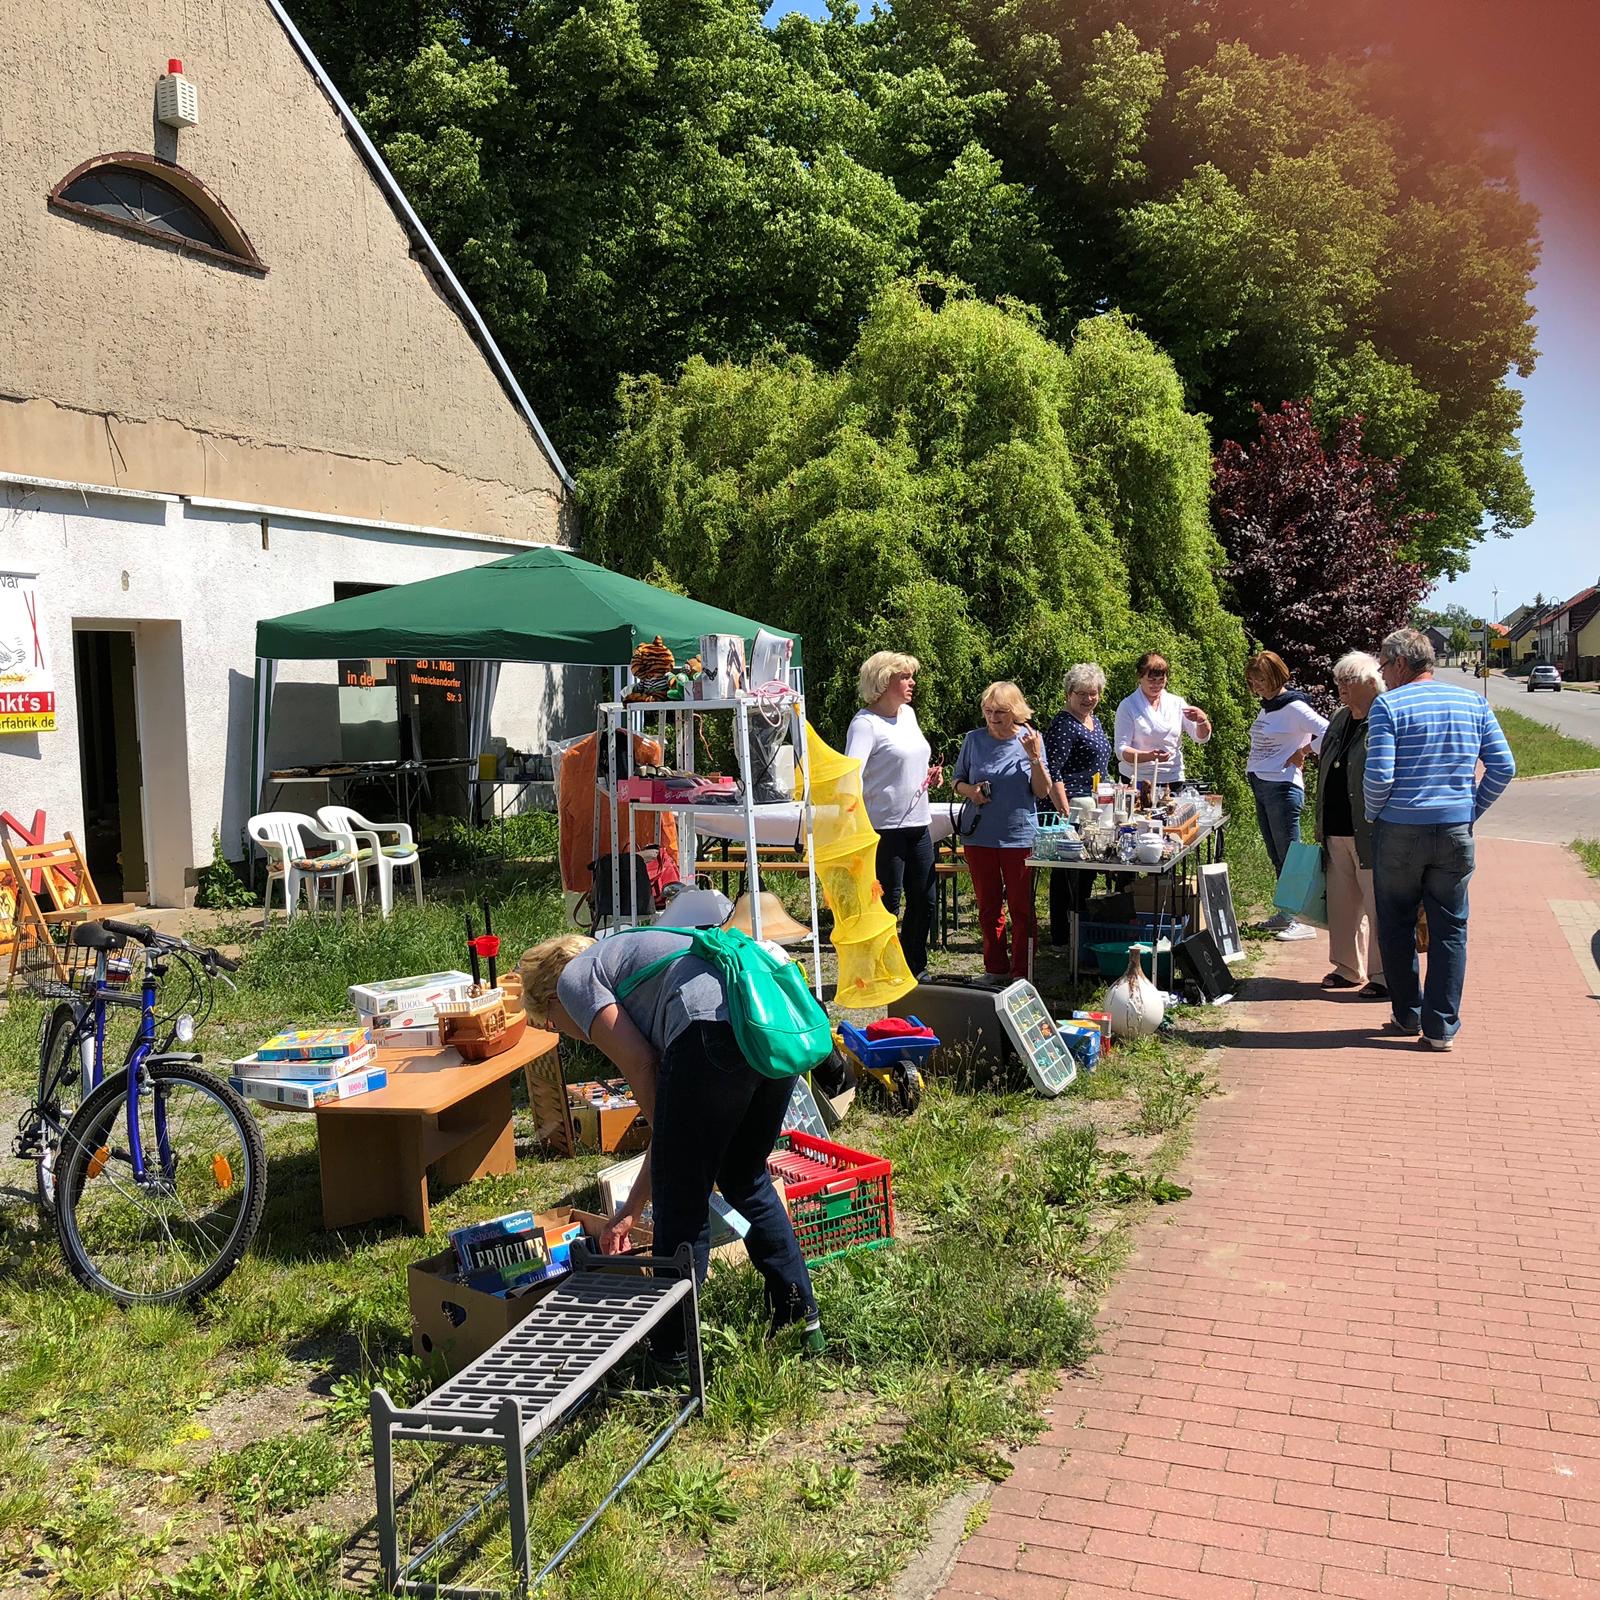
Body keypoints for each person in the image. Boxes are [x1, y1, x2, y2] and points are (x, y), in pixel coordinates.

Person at [518, 931, 823, 1356]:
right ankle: (801, 1319)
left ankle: (673, 1351)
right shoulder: (625, 956)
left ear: (552, 998)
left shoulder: (574, 979)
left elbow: (643, 1066)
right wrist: (631, 1209)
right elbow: (668, 1127)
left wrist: (667, 1157)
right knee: (743, 1176)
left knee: (681, 1199)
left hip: (712, 1030)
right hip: (767, 1025)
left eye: (552, 1022)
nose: (565, 1031)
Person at [1364, 628, 1516, 1051]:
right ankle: (1440, 1028)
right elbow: (1504, 767)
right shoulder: (1474, 702)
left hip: (1399, 830)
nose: (1382, 674)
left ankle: (1406, 1013)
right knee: (1450, 929)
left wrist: (1374, 814)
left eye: (1383, 665)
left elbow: (1379, 776)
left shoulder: (1388, 706)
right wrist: (1470, 810)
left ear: (1398, 663)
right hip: (1454, 832)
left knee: (1395, 924)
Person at [952, 681, 1053, 979]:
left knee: (1022, 909)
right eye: (988, 711)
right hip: (980, 834)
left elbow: (1042, 791)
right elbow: (956, 780)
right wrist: (971, 790)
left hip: (1019, 836)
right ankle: (994, 968)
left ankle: (1022, 971)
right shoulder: (974, 739)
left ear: (1016, 711)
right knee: (988, 907)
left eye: (1000, 712)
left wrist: (1034, 757)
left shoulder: (1031, 739)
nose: (993, 717)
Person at [845, 651, 936, 978]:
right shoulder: (865, 724)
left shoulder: (908, 715)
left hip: (919, 823)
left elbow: (911, 758)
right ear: (884, 681)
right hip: (883, 828)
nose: (912, 683)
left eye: (912, 676)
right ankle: (880, 970)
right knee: (887, 905)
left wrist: (929, 775)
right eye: (905, 677)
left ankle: (913, 966)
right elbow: (851, 776)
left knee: (925, 901)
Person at [1315, 651, 1386, 996]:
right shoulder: (1340, 718)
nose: (1340, 687)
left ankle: (1382, 975)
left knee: (1377, 906)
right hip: (1335, 828)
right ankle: (1347, 967)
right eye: (1338, 680)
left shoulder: (1384, 716)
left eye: (1348, 680)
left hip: (1370, 830)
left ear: (1372, 682)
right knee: (1342, 906)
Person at [1244, 650, 1329, 942]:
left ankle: (1301, 919)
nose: (1257, 686)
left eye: (1262, 680)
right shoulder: (1268, 707)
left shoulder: (1293, 706)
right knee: (1276, 854)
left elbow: (1329, 731)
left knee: (1290, 856)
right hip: (1263, 785)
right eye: (1253, 681)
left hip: (1283, 787)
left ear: (1277, 676)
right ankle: (1286, 913)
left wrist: (1303, 751)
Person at [1042, 662, 1114, 944]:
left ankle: (1080, 926)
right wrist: (1063, 810)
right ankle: (1062, 934)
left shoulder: (1094, 721)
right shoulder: (1063, 724)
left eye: (1093, 693)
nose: (1088, 699)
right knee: (1067, 873)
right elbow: (1053, 770)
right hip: (1069, 807)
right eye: (1081, 693)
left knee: (1086, 872)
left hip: (1093, 806)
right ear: (1069, 694)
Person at [1113, 651, 1213, 788]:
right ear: (1140, 677)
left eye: (1161, 680)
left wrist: (1202, 720)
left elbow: (1201, 738)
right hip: (1137, 779)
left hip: (1172, 778)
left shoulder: (1176, 703)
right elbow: (1121, 751)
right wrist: (1149, 756)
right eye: (1151, 680)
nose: (1157, 685)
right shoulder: (1128, 706)